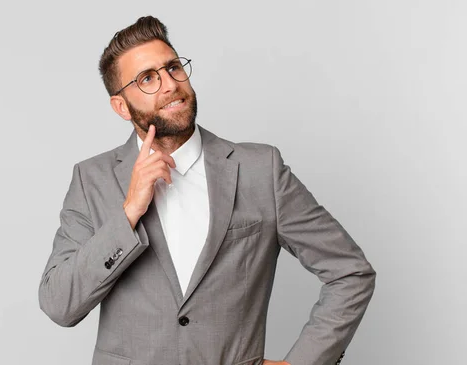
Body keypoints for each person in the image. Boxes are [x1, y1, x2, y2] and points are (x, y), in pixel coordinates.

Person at [38, 15, 376, 365]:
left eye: (173, 68)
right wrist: (127, 215)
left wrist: (303, 362)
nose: (169, 84)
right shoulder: (91, 180)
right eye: (148, 79)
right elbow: (59, 305)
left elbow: (350, 272)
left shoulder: (260, 171)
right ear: (121, 106)